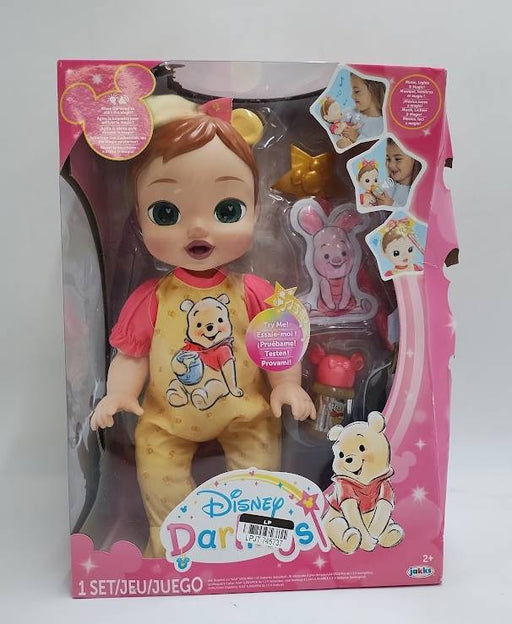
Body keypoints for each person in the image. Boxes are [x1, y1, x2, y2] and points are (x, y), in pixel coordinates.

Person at [90, 95, 316, 557]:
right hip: (166, 418)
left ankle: (255, 545)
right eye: (167, 214)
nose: (198, 230)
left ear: (255, 209)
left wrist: (286, 385)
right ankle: (173, 545)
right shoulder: (151, 298)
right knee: (157, 469)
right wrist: (119, 393)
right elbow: (132, 354)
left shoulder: (254, 292)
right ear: (140, 216)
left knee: (259, 472)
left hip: (245, 412)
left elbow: (277, 342)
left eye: (227, 211)